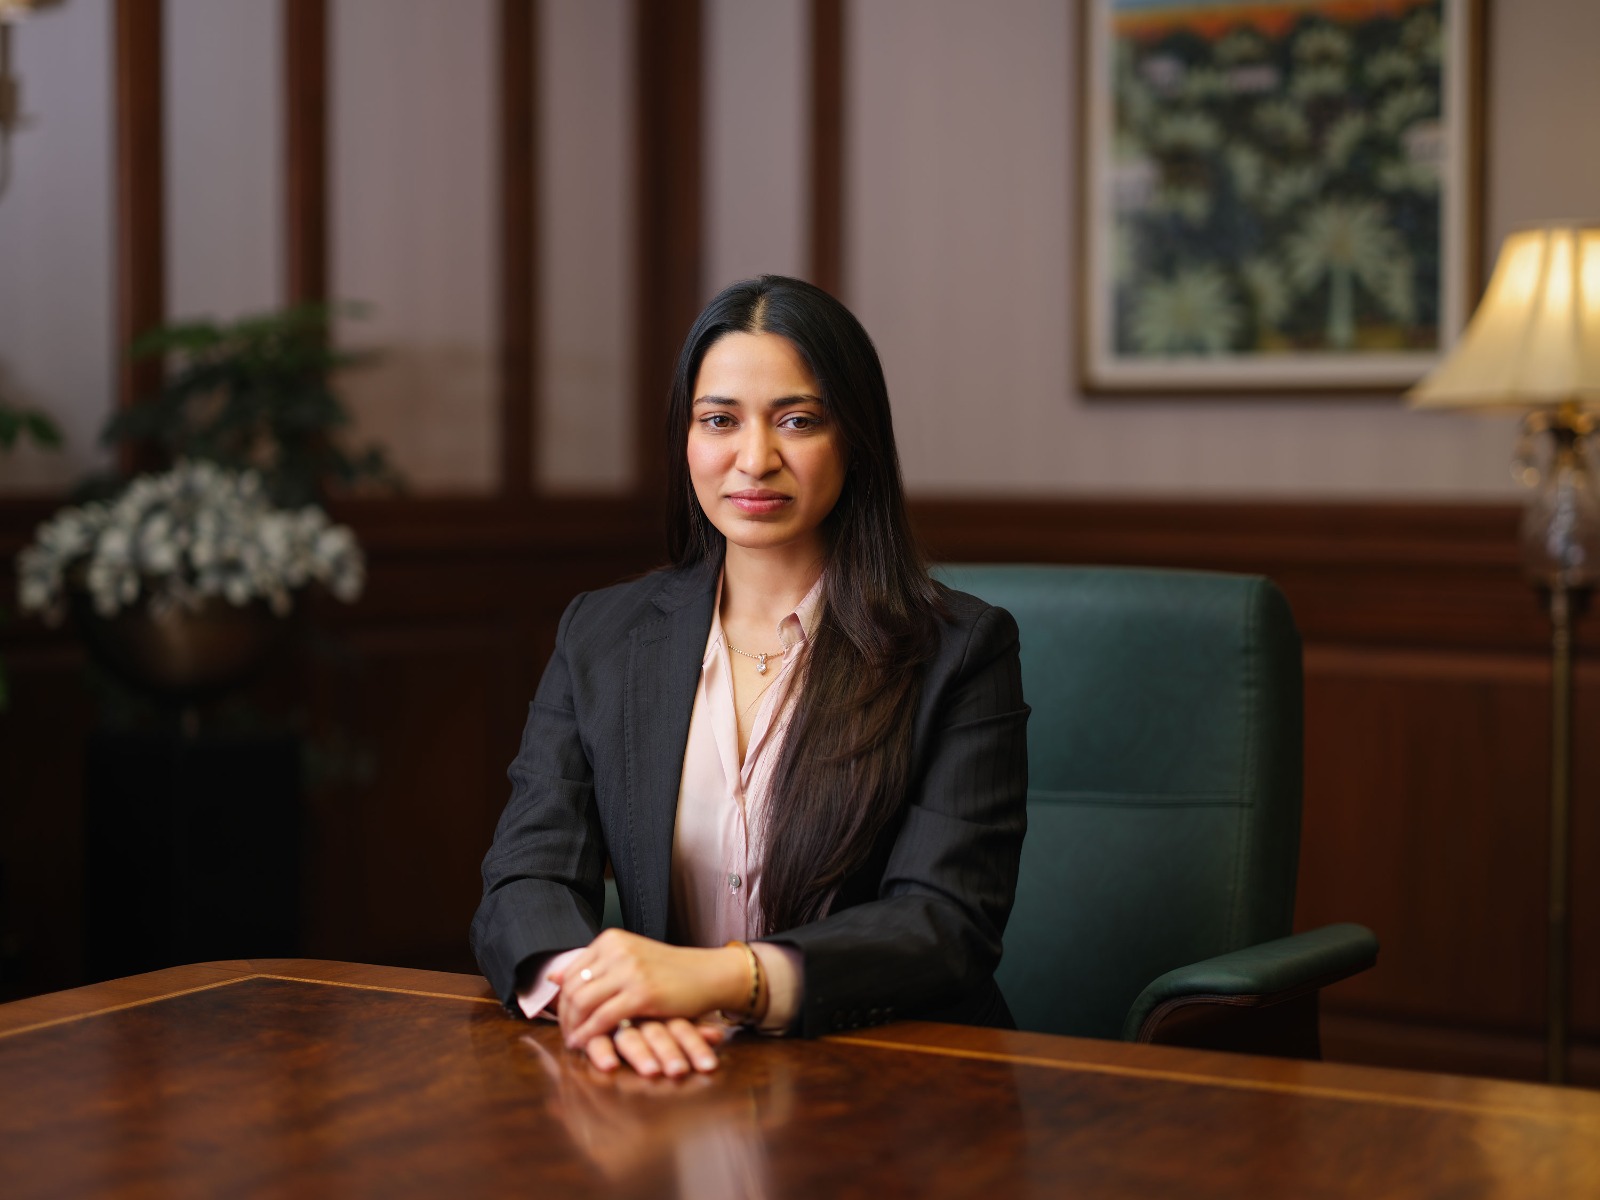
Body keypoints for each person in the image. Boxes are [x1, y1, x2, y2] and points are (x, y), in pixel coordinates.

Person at [471, 275, 1028, 1077]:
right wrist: (597, 996)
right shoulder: (601, 633)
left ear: (856, 439)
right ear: (686, 439)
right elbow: (528, 874)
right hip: (672, 1070)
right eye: (719, 420)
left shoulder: (960, 650)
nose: (755, 459)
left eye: (798, 420)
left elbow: (944, 923)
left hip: (896, 1080)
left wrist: (725, 979)